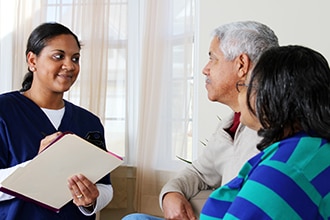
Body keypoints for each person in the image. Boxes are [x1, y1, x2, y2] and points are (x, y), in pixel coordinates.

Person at [122, 21, 279, 220]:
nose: (205, 69)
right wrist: (171, 194)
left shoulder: (274, 132)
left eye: (213, 59)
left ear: (241, 65)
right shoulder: (229, 124)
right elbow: (198, 172)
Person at [200, 45, 330, 219]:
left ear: (272, 95)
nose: (241, 95)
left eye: (245, 86)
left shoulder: (286, 168)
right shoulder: (311, 148)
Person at [0, 22, 113, 219]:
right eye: (58, 56)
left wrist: (91, 200)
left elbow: (105, 186)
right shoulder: (4, 111)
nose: (69, 66)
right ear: (32, 60)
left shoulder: (89, 123)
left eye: (75, 58)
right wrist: (36, 166)